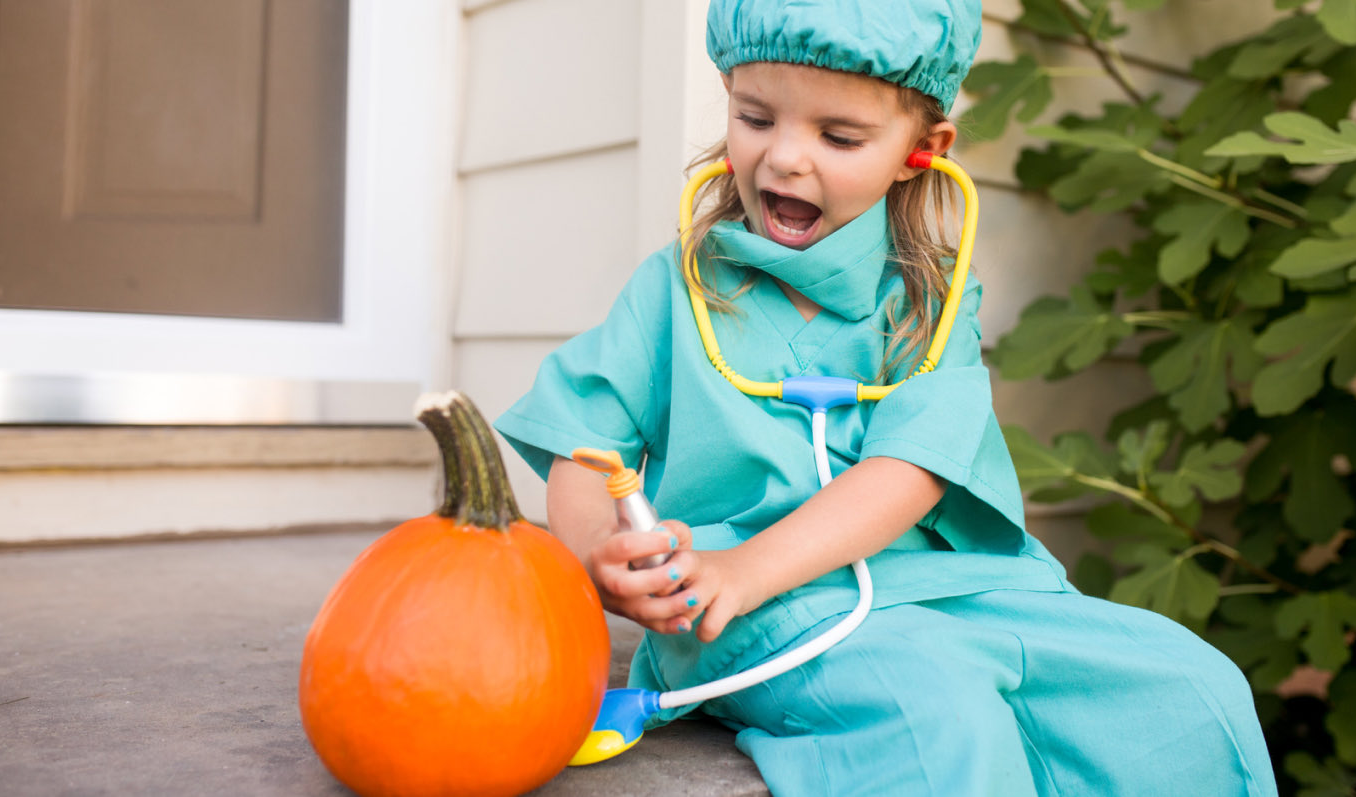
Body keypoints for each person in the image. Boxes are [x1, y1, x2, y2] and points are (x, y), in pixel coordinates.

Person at [495, 0, 1278, 793]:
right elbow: (583, 441)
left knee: (1186, 688)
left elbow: (915, 465)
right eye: (755, 117)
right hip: (745, 607)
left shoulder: (931, 305)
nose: (784, 160)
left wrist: (750, 567)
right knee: (932, 710)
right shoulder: (674, 288)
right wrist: (606, 555)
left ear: (921, 150)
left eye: (838, 137)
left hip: (946, 587)